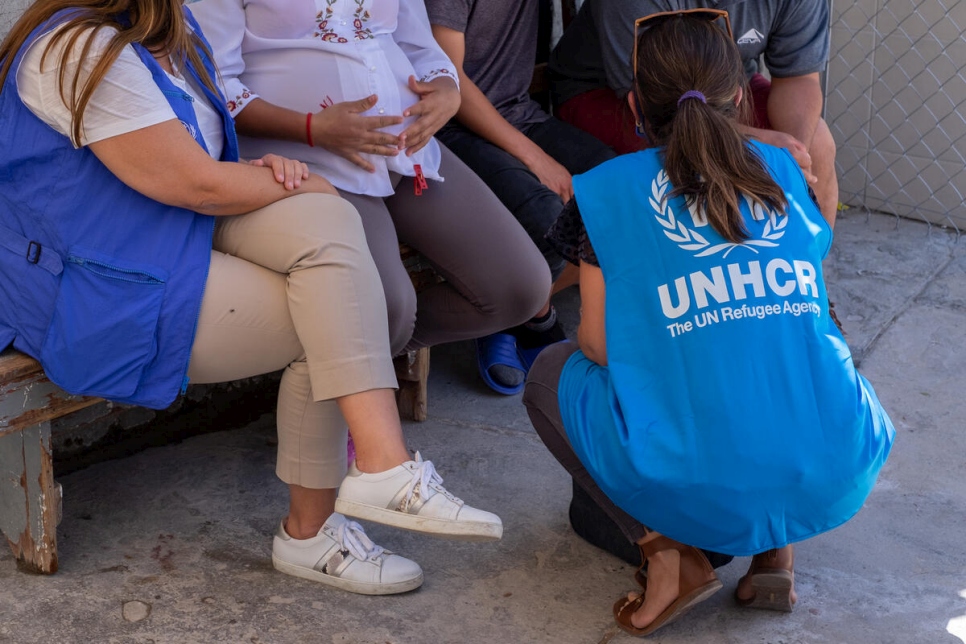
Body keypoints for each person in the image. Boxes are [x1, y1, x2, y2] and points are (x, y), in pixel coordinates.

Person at [0, 0, 503, 598]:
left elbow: (203, 160)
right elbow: (193, 182)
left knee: (327, 224)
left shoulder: (170, 26)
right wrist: (306, 176)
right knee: (326, 311)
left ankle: (381, 466)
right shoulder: (81, 48)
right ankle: (313, 531)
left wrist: (272, 172)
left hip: (162, 229)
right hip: (95, 276)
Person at [523, 12, 894, 636]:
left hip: (702, 482)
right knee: (790, 343)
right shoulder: (788, 173)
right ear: (740, 97)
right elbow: (809, 313)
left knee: (551, 373)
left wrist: (672, 337)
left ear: (636, 106)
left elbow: (600, 346)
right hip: (837, 465)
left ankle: (671, 559)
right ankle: (777, 552)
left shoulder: (606, 192)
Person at [188, 0, 550, 365]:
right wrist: (312, 129)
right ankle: (353, 364)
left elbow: (420, 47)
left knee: (520, 289)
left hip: (408, 149)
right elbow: (211, 81)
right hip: (306, 163)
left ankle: (354, 360)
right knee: (387, 309)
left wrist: (446, 90)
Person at [424, 0, 616, 395]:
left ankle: (519, 314)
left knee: (616, 190)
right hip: (450, 128)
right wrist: (535, 157)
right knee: (546, 216)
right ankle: (528, 317)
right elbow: (447, 78)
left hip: (520, 114)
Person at [549, 0, 840, 227]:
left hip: (721, 87)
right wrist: (756, 143)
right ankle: (696, 282)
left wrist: (794, 156)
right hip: (616, 94)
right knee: (678, 153)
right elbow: (656, 107)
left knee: (817, 145)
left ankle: (806, 287)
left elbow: (798, 79)